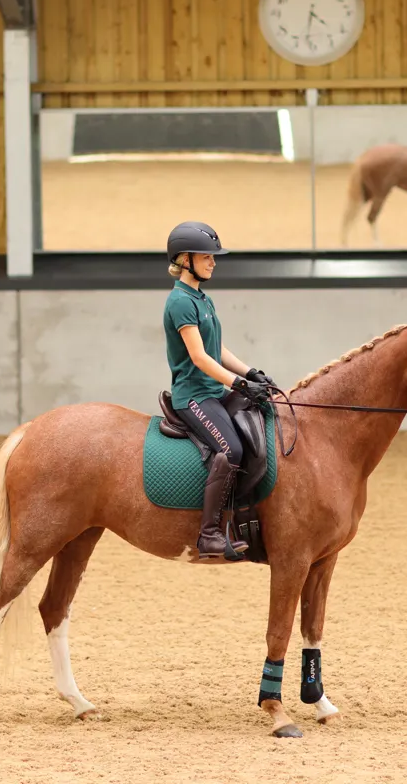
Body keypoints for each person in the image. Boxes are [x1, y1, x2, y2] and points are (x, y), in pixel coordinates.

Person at [162, 220, 277, 559]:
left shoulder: (202, 299)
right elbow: (198, 357)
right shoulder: (180, 302)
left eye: (214, 257)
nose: (213, 262)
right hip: (193, 395)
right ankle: (209, 534)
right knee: (231, 449)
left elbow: (217, 349)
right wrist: (238, 383)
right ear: (185, 259)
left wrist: (250, 372)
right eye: (206, 256)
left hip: (214, 389)